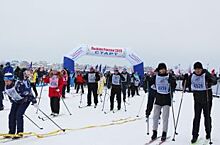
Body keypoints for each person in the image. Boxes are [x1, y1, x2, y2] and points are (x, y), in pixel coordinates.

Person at [185, 62, 217, 143]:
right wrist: (185, 80)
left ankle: (208, 133)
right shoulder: (192, 76)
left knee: (207, 116)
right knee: (196, 117)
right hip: (197, 99)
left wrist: (210, 81)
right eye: (196, 69)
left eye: (199, 69)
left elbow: (215, 80)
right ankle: (194, 135)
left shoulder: (206, 74)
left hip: (207, 98)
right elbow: (186, 85)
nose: (198, 70)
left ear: (201, 69)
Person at [3, 72, 37, 138]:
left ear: (11, 80)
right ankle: (11, 132)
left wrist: (34, 101)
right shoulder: (6, 86)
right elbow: (10, 95)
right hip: (16, 101)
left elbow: (28, 92)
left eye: (7, 81)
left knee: (18, 115)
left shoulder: (19, 84)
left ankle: (20, 132)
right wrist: (12, 100)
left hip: (25, 100)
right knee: (11, 115)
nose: (6, 82)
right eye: (5, 81)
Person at [151, 63, 176, 141]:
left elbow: (174, 85)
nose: (162, 70)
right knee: (155, 116)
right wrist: (147, 80)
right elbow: (151, 83)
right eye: (161, 69)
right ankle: (154, 132)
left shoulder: (169, 76)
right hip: (158, 98)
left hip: (166, 98)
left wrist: (172, 82)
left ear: (165, 69)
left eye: (163, 69)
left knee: (165, 117)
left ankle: (164, 133)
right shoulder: (156, 76)